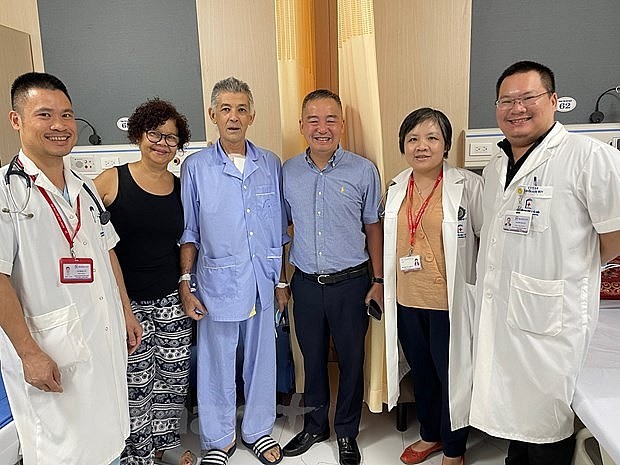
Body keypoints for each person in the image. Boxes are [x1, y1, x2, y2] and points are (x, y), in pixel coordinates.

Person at [470, 60, 620, 465]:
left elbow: (614, 235)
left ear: (553, 101)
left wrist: (573, 268)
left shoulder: (590, 158)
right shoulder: (495, 166)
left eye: (527, 98)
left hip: (551, 318)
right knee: (517, 421)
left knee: (544, 426)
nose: (516, 108)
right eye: (506, 101)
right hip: (506, 313)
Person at [0, 72, 142, 465]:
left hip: (101, 335)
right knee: (65, 450)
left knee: (108, 438)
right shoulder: (5, 192)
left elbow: (107, 250)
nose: (60, 125)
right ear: (17, 121)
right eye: (44, 115)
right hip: (50, 348)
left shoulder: (85, 188)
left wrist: (126, 311)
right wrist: (28, 353)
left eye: (67, 115)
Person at [178, 77, 288, 465]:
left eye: (241, 109)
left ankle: (258, 431)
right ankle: (218, 440)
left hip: (264, 279)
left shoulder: (270, 163)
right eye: (225, 109)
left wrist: (281, 281)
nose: (234, 117)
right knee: (216, 361)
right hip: (217, 280)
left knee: (263, 360)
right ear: (212, 115)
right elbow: (189, 230)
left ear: (252, 115)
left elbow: (278, 229)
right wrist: (186, 283)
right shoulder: (196, 167)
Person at [281, 89, 383, 465]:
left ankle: (346, 432)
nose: (322, 128)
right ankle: (314, 425)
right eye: (313, 119)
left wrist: (378, 280)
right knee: (311, 357)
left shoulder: (363, 170)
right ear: (302, 125)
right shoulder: (287, 171)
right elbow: (281, 229)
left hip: (353, 283)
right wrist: (281, 281)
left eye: (330, 120)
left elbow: (373, 227)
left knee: (352, 359)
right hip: (305, 283)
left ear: (342, 125)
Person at [94, 98, 194, 465]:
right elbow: (88, 236)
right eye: (155, 133)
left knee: (173, 378)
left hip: (169, 299)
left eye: (171, 138)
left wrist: (184, 287)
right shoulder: (111, 180)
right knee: (136, 385)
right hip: (127, 301)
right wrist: (122, 309)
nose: (162, 143)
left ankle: (165, 441)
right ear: (139, 134)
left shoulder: (182, 188)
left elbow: (188, 239)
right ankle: (140, 454)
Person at [383, 108, 483, 465]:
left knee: (451, 375)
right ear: (403, 145)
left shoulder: (468, 185)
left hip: (449, 302)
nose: (421, 146)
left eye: (431, 138)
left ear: (445, 145)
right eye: (412, 138)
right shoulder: (396, 185)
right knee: (422, 372)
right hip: (408, 300)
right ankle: (430, 435)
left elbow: (486, 240)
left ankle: (454, 447)